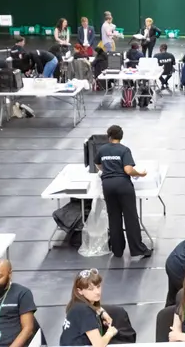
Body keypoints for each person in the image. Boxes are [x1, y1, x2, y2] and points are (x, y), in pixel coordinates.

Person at [94, 125, 152, 258]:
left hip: (107, 186)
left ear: (109, 136)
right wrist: (140, 174)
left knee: (114, 217)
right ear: (121, 137)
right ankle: (137, 249)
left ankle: (117, 250)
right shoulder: (124, 150)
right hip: (123, 185)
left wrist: (107, 170)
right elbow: (128, 170)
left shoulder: (102, 149)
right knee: (130, 217)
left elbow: (98, 164)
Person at [59, 269, 117, 346]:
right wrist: (110, 333)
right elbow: (98, 345)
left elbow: (95, 307)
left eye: (98, 286)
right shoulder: (85, 311)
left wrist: (102, 312)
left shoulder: (76, 303)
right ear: (80, 291)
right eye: (90, 289)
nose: (97, 292)